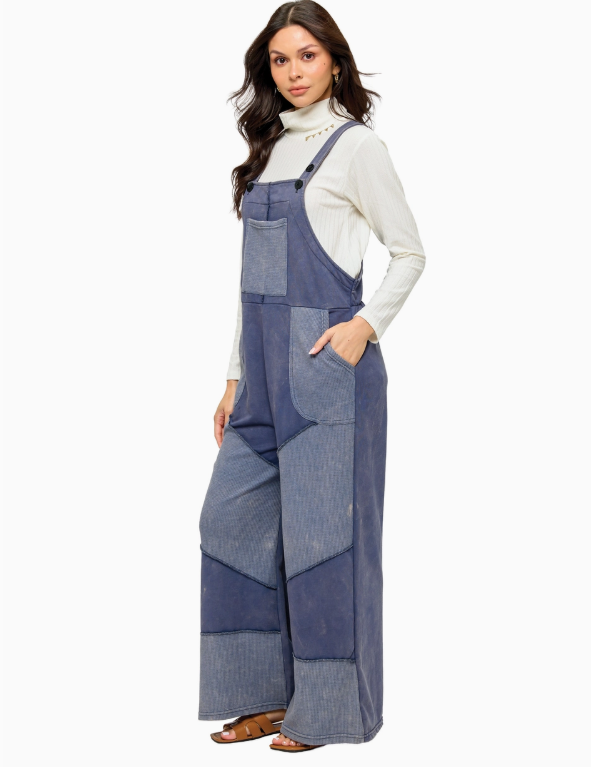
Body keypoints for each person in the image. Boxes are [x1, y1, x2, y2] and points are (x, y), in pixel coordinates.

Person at [198, 0, 425, 753]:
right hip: (261, 376)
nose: (293, 72)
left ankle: (327, 712)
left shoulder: (356, 147)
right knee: (230, 525)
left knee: (327, 544)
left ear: (334, 60)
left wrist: (365, 326)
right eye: (279, 59)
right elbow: (251, 285)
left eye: (307, 55)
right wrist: (234, 377)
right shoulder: (266, 151)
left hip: (329, 369)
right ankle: (264, 697)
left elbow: (410, 251)